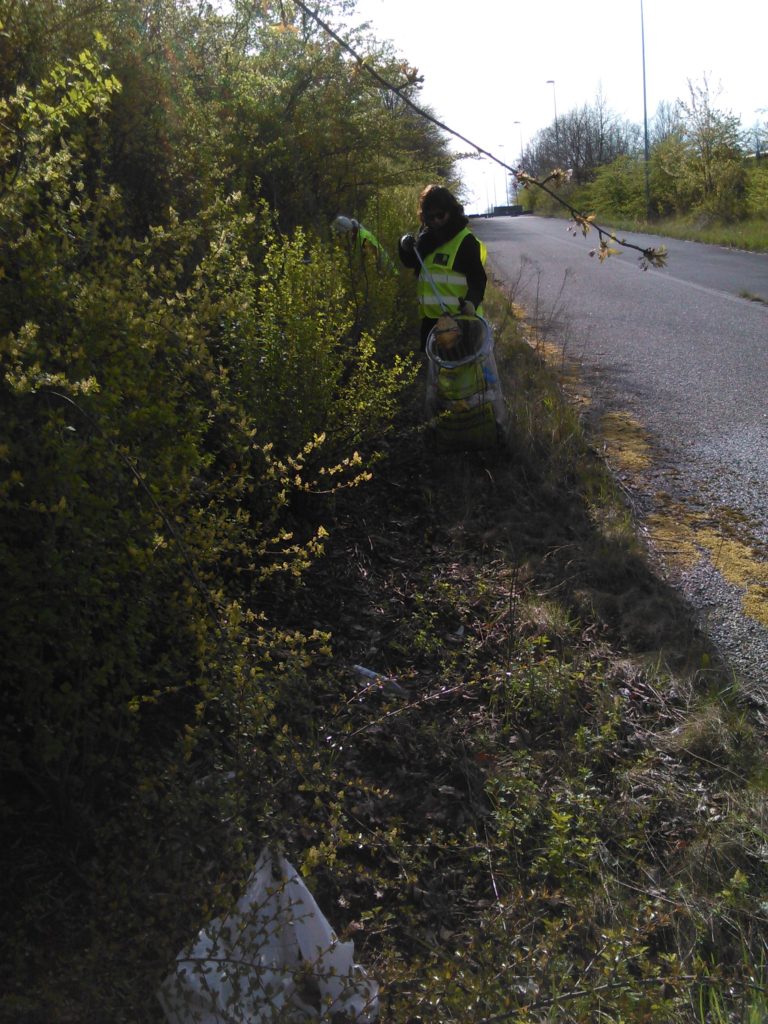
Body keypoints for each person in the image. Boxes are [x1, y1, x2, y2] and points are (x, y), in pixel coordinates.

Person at [398, 185, 487, 351]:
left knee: (464, 374)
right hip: (433, 323)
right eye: (430, 217)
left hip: (461, 323)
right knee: (438, 375)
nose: (436, 221)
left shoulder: (465, 241)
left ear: (451, 211)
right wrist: (403, 246)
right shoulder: (426, 240)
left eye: (440, 215)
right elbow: (411, 262)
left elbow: (478, 278)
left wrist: (471, 302)